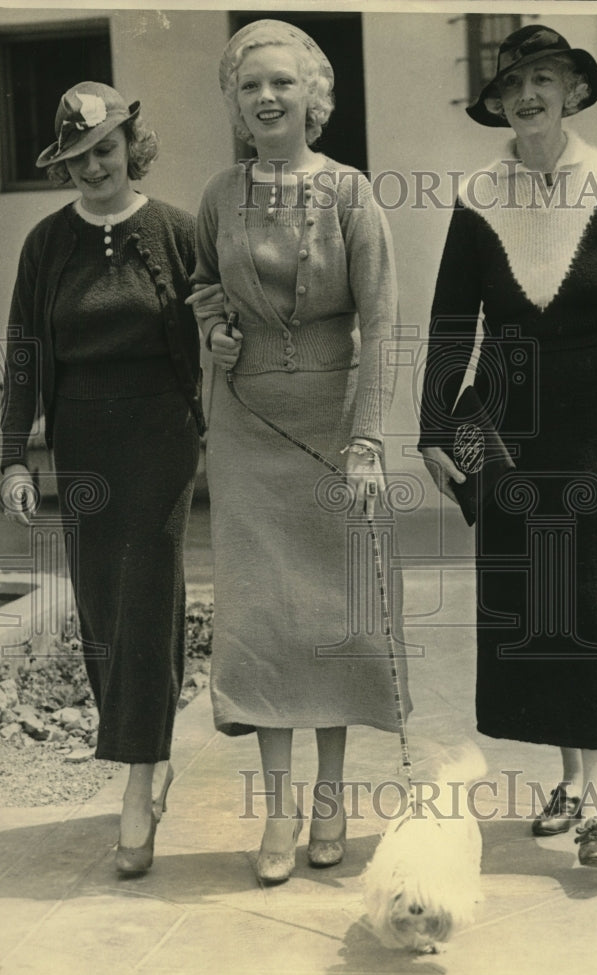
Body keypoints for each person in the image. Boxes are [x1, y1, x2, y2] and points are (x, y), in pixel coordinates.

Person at [419, 25, 597, 868]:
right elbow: (452, 321)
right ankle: (568, 779)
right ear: (496, 104)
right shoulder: (474, 196)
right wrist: (433, 427)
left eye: (543, 78)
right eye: (512, 84)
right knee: (538, 598)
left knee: (593, 595)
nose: (527, 94)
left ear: (571, 89)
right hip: (507, 412)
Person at [189, 19, 410, 884]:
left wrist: (365, 440)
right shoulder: (218, 193)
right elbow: (205, 284)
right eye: (250, 88)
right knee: (263, 620)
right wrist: (213, 329)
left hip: (330, 422)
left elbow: (383, 322)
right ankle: (277, 808)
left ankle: (330, 797)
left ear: (313, 98)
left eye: (282, 84)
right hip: (244, 423)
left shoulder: (352, 192)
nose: (267, 99)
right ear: (237, 106)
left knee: (330, 616)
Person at [0, 81, 204, 876]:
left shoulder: (177, 231)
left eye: (105, 149)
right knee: (102, 606)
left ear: (130, 145)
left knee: (149, 594)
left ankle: (136, 779)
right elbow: (24, 354)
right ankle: (145, 753)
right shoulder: (47, 244)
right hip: (82, 443)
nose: (93, 166)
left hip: (160, 437)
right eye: (77, 157)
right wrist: (16, 457)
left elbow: (214, 329)